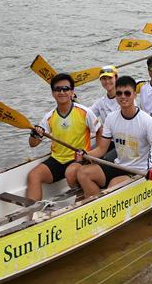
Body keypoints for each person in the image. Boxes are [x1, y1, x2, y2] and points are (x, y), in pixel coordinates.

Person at [76, 76, 152, 197]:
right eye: (119, 93)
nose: (123, 96)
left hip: (139, 170)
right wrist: (85, 154)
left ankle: (101, 202)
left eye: (127, 93)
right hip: (118, 165)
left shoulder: (147, 121)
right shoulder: (111, 118)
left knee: (114, 184)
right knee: (83, 173)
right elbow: (101, 150)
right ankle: (95, 204)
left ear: (134, 94)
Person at [26, 73, 100, 201]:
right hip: (57, 160)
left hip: (79, 159)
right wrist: (34, 134)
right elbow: (33, 144)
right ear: (53, 93)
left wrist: (94, 154)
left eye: (65, 89)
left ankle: (81, 203)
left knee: (70, 172)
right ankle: (32, 216)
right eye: (57, 89)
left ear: (72, 92)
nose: (61, 92)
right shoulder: (49, 117)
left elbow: (100, 131)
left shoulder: (85, 112)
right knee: (33, 176)